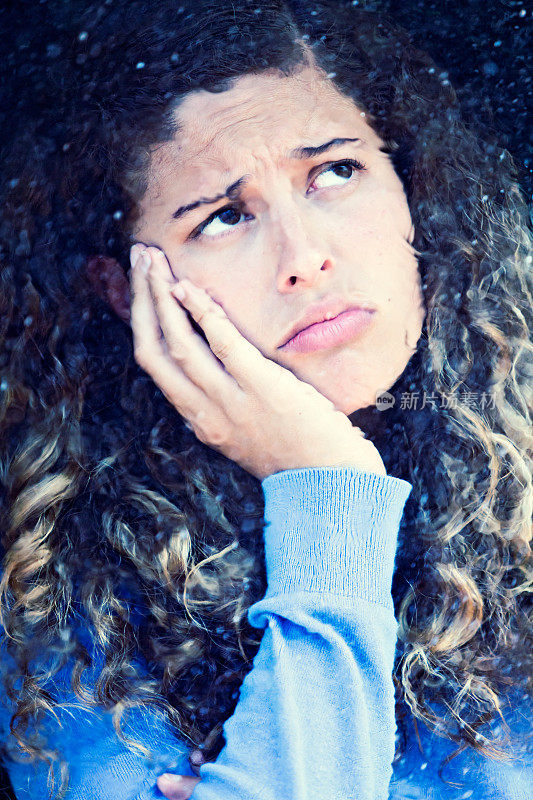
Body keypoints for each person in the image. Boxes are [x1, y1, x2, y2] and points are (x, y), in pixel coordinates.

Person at [0, 1, 531, 799]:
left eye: (335, 173)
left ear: (411, 187)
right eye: (224, 217)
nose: (304, 259)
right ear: (124, 292)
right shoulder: (59, 589)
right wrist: (327, 488)